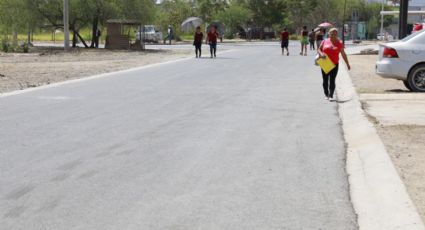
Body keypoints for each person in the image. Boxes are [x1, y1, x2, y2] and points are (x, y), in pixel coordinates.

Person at [317, 28, 351, 102]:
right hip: (325, 63)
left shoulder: (339, 43)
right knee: (325, 80)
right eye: (332, 34)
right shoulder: (325, 41)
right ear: (329, 34)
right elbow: (319, 49)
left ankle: (331, 95)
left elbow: (343, 54)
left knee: (332, 80)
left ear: (337, 35)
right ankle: (326, 94)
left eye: (335, 34)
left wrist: (347, 64)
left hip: (335, 64)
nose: (333, 35)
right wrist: (321, 53)